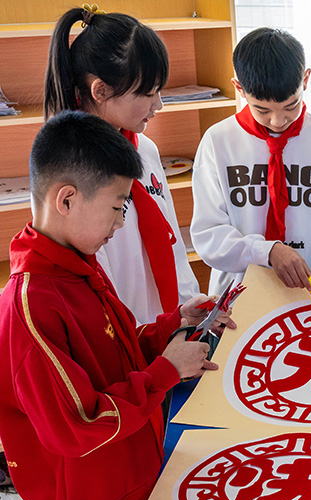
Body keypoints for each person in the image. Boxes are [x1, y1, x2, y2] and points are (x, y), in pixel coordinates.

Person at [0, 111, 227, 500]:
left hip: (131, 483)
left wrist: (172, 325)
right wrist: (165, 372)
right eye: (117, 205)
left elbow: (116, 353)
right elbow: (76, 425)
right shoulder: (31, 305)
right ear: (66, 199)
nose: (122, 222)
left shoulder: (79, 267)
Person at [190, 28, 311, 311]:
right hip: (238, 304)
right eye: (262, 110)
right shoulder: (218, 142)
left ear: (306, 80)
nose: (278, 120)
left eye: (291, 105)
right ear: (239, 88)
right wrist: (267, 251)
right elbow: (208, 235)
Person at [44, 6, 200, 326]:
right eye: (148, 93)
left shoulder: (146, 150)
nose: (158, 105)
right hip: (126, 343)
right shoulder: (72, 172)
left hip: (171, 328)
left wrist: (189, 314)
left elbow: (171, 245)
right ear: (100, 91)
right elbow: (92, 289)